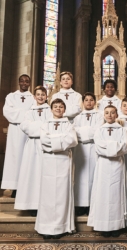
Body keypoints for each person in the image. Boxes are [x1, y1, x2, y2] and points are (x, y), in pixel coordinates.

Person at [35, 98, 78, 239]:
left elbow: (71, 140)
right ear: (51, 109)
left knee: (61, 194)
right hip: (48, 161)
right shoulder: (45, 124)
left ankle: (61, 227)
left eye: (61, 107)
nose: (58, 109)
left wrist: (54, 140)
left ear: (64, 110)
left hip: (63, 160)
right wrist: (60, 139)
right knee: (47, 195)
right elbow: (43, 140)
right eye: (55, 106)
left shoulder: (69, 125)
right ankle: (46, 227)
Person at [87, 105, 127, 238]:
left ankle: (116, 226)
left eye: (112, 112)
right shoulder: (99, 130)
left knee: (116, 194)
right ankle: (103, 225)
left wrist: (109, 147)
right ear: (103, 115)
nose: (110, 115)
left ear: (117, 115)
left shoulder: (122, 130)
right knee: (103, 193)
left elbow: (125, 147)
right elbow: (98, 147)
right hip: (103, 166)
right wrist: (114, 147)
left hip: (118, 165)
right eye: (107, 113)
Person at [14, 86, 51, 216]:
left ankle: (44, 204)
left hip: (45, 145)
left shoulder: (50, 111)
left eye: (43, 94)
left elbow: (50, 126)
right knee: (31, 174)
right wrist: (40, 127)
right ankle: (31, 204)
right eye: (38, 94)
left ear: (46, 96)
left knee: (44, 174)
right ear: (34, 97)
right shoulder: (29, 112)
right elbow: (25, 126)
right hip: (31, 146)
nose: (40, 97)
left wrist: (36, 127)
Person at [1, 74, 34, 198]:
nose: (24, 83)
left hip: (27, 132)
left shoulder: (33, 98)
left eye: (27, 81)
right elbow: (7, 112)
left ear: (29, 83)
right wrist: (25, 113)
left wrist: (19, 113)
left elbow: (34, 114)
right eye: (22, 81)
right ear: (19, 82)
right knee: (14, 158)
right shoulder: (11, 96)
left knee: (26, 158)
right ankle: (14, 187)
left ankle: (24, 187)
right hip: (15, 131)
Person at [73, 92, 104, 216]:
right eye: (86, 100)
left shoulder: (99, 116)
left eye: (91, 100)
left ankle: (92, 204)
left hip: (94, 148)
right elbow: (74, 131)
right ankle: (80, 205)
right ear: (83, 102)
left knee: (93, 176)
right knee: (80, 176)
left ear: (95, 102)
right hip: (80, 149)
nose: (89, 102)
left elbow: (98, 131)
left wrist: (83, 132)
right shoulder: (77, 116)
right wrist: (88, 132)